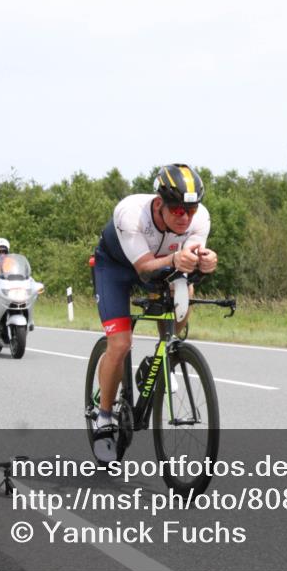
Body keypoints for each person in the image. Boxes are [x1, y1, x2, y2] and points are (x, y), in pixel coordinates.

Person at [90, 164, 218, 462]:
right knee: (120, 345)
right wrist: (176, 257)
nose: (185, 218)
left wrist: (205, 261)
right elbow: (144, 268)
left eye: (191, 210)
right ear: (159, 204)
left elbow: (191, 258)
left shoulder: (200, 219)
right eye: (177, 211)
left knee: (184, 295)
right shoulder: (130, 213)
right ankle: (104, 417)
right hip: (117, 269)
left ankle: (162, 359)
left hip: (161, 263)